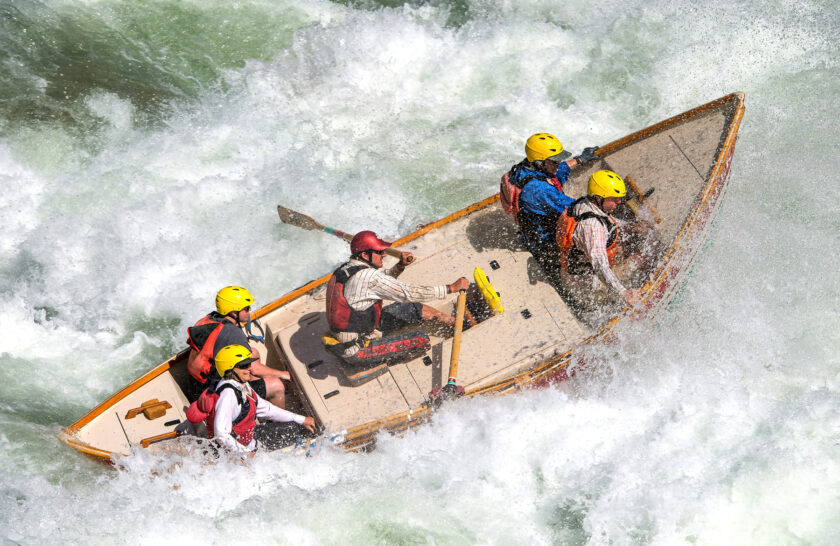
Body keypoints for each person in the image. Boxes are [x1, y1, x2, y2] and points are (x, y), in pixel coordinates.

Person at [324, 230, 470, 368]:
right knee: (421, 340)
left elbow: (380, 282)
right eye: (379, 252)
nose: (384, 255)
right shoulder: (368, 277)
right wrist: (450, 288)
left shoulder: (346, 269)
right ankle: (389, 361)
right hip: (357, 349)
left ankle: (459, 325)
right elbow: (407, 293)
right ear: (364, 256)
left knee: (414, 307)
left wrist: (399, 266)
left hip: (362, 328)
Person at [556, 170, 662, 307]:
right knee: (643, 258)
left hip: (576, 272)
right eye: (614, 198)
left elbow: (608, 222)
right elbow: (600, 267)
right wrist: (624, 293)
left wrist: (631, 227)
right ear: (599, 198)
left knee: (628, 243)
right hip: (586, 290)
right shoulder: (592, 227)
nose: (619, 202)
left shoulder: (585, 204)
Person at [500, 133, 600, 278]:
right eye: (555, 161)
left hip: (531, 232)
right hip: (545, 244)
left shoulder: (525, 169)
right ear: (540, 163)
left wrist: (580, 160)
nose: (558, 164)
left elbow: (556, 171)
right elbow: (579, 209)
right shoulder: (540, 190)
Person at [186, 286, 290, 408]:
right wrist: (283, 374)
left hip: (197, 385)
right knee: (276, 385)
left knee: (253, 353)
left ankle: (256, 398)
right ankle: (281, 425)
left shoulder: (209, 320)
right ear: (234, 312)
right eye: (246, 308)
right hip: (215, 394)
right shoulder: (231, 333)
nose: (250, 310)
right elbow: (254, 369)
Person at [208, 345, 315, 455]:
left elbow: (268, 409)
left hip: (250, 440)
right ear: (230, 369)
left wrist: (302, 419)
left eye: (249, 364)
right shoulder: (228, 394)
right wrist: (245, 454)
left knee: (294, 427)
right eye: (244, 365)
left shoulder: (241, 384)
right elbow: (221, 434)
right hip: (238, 452)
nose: (249, 368)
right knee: (293, 431)